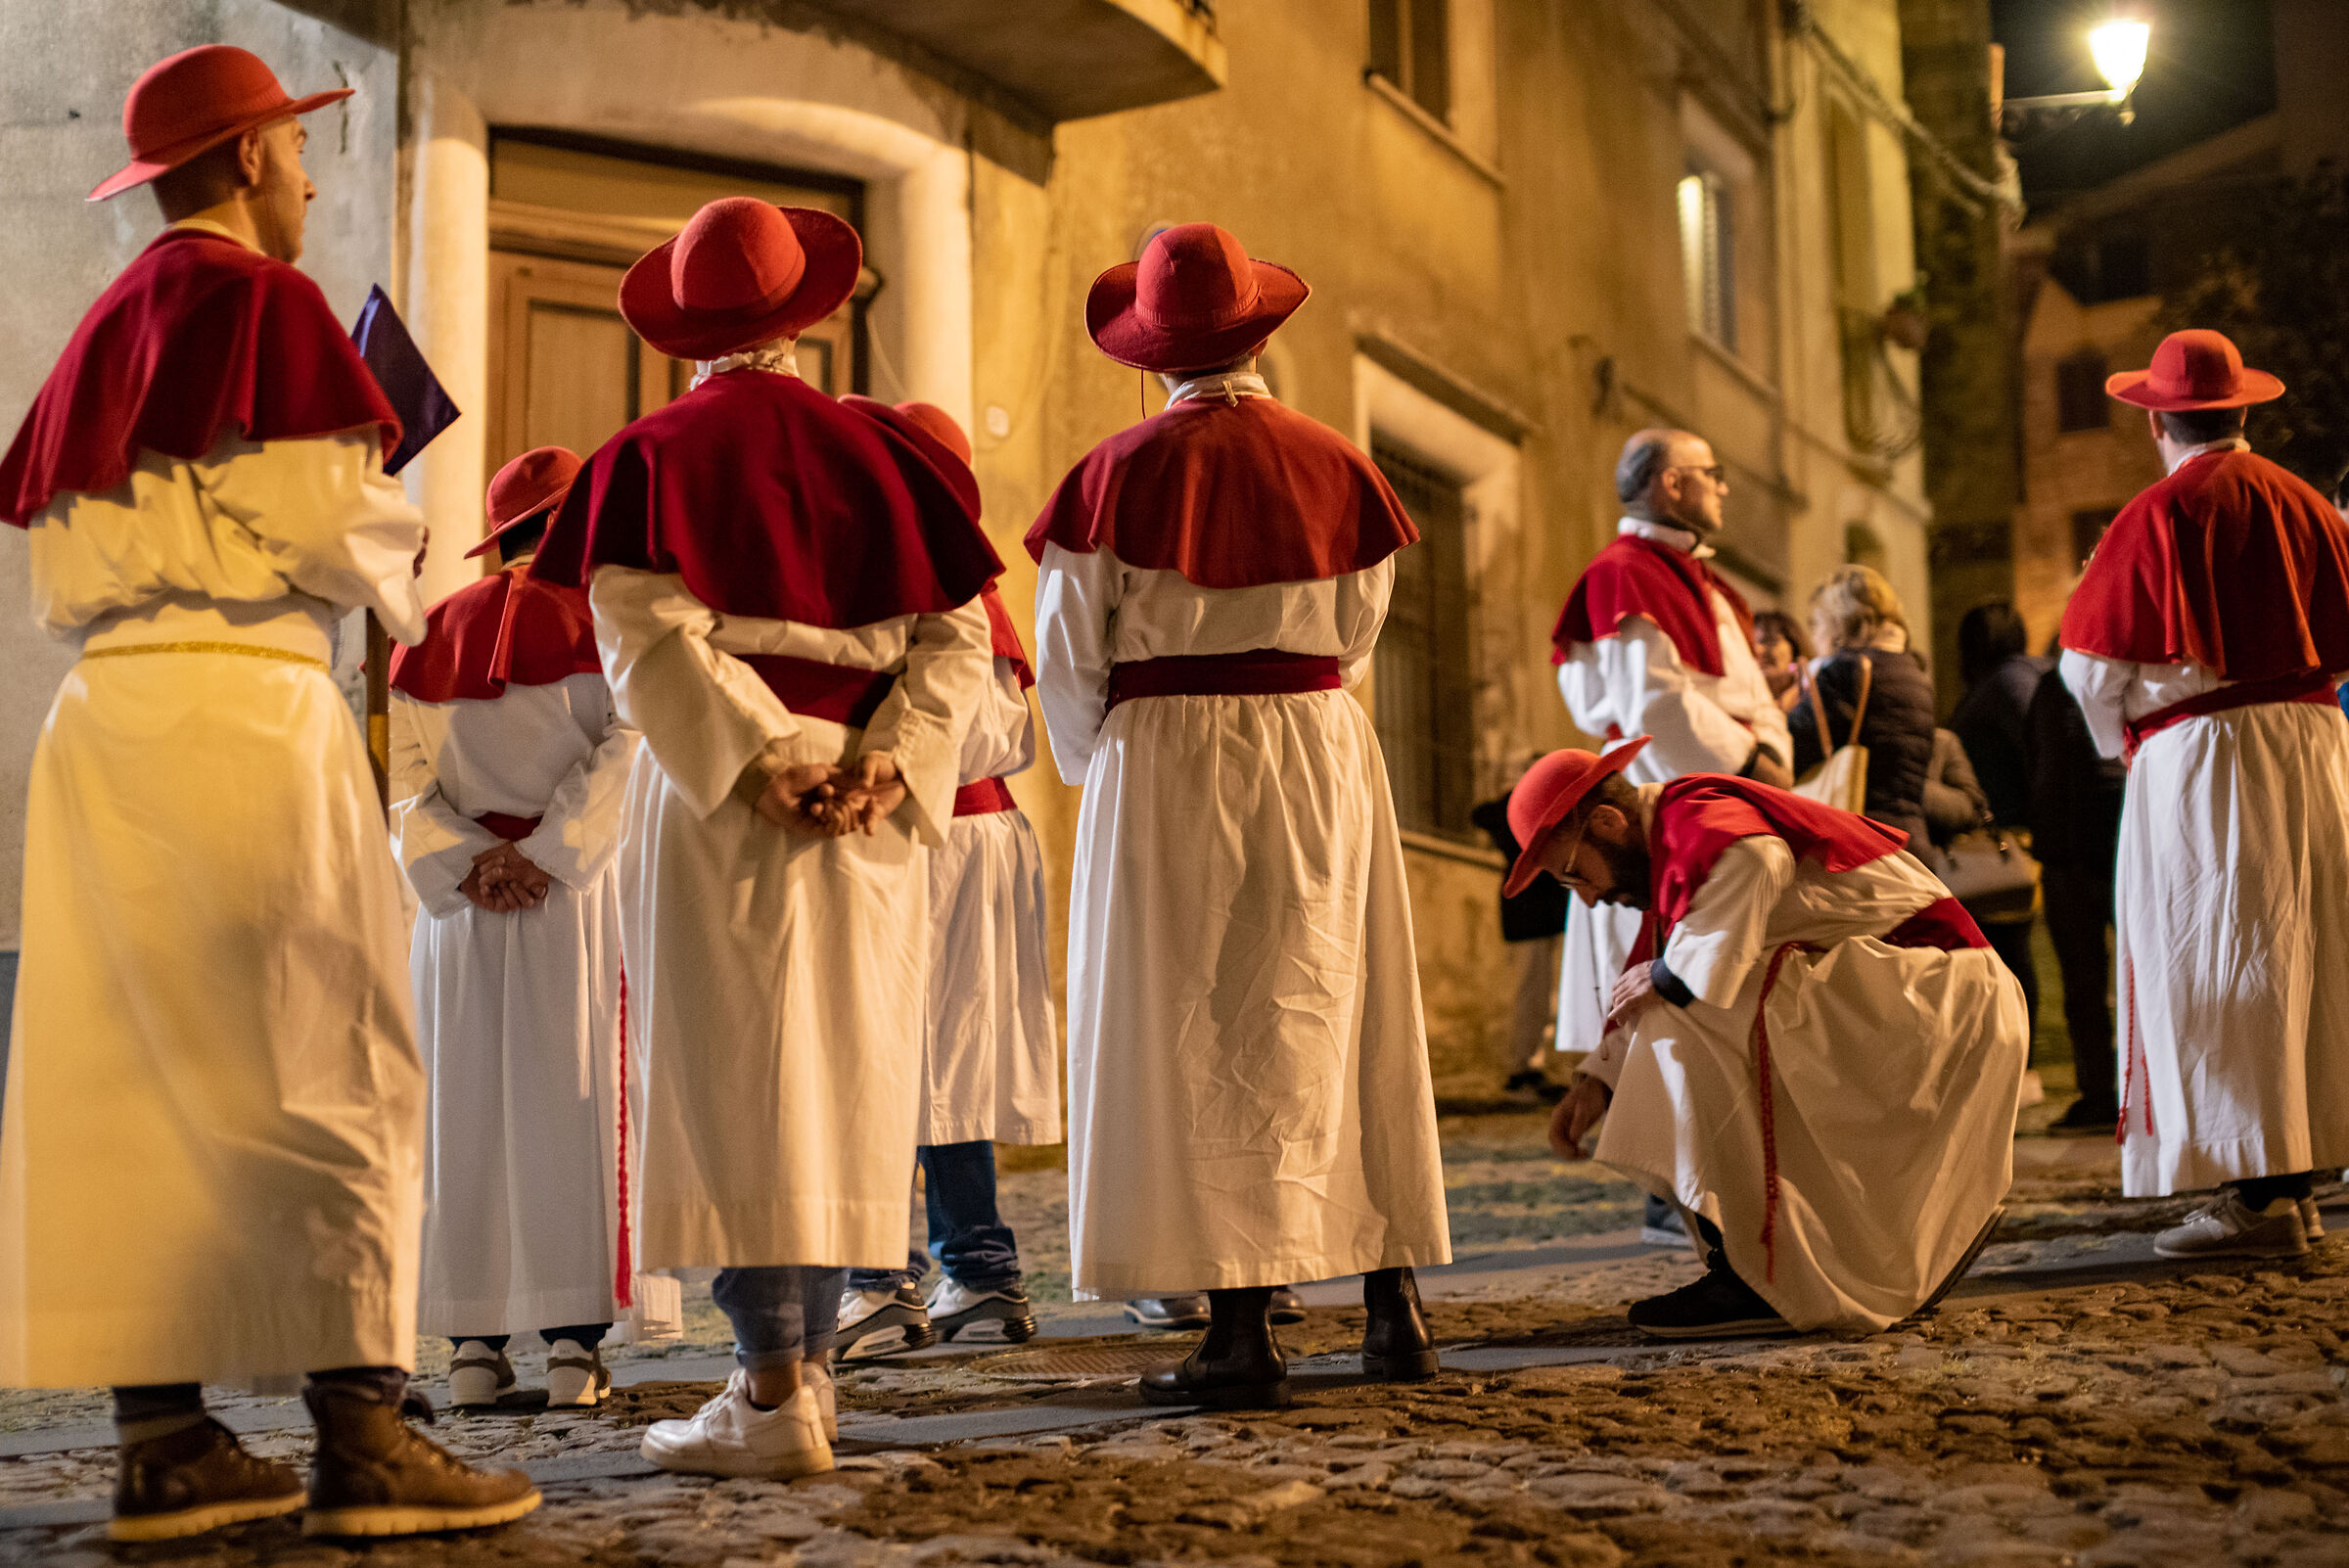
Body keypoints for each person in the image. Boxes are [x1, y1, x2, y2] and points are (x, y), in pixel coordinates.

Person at [0, 45, 538, 1541]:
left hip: (107, 722)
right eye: (295, 152)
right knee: (332, 1052)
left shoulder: (101, 327)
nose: (308, 176)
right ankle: (365, 1437)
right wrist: (409, 540)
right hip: (246, 706)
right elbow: (329, 529)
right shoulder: (263, 304)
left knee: (135, 1085)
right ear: (244, 158)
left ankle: (164, 1443)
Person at [530, 196, 999, 1476]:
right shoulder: (891, 454)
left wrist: (767, 755)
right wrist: (883, 758)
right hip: (869, 814)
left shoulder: (650, 452)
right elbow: (961, 640)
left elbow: (642, 639)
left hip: (724, 805)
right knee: (842, 1074)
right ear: (808, 315)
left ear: (687, 332)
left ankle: (768, 1382)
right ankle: (806, 1376)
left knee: (731, 1081)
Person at [1030, 222, 1451, 1408]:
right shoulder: (1341, 464)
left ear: (1148, 357)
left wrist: (1092, 765)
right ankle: (1393, 1305)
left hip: (1166, 755)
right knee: (1345, 1000)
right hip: (1318, 742)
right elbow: (1362, 632)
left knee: (1195, 1017)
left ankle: (1238, 1326)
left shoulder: (1109, 478)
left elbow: (1069, 660)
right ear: (1262, 331)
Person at [1521, 742, 2027, 1337]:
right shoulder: (1677, 836)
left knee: (1691, 1010)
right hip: (1919, 993)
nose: (1587, 896)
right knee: (1689, 999)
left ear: (1609, 822)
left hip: (1941, 994)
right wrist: (1596, 1078)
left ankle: (1747, 1273)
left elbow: (1756, 861)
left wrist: (1666, 979)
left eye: (1574, 873)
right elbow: (1667, 955)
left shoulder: (1695, 817)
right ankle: (1811, 1258)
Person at [2058, 328, 2349, 1259]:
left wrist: (2126, 737)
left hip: (2210, 761)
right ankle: (2294, 1183)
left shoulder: (2160, 511)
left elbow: (2090, 669)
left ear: (2156, 421)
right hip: (2315, 747)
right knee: (2305, 960)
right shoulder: (2310, 504)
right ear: (2244, 409)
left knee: (2222, 963)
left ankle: (2259, 1198)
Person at [389, 446, 638, 1409]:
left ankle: (471, 1351)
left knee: (464, 1118)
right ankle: (574, 1350)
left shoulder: (427, 631)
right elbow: (630, 751)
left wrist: (465, 862)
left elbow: (405, 778)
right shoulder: (607, 626)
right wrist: (548, 851)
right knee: (573, 1108)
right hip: (568, 904)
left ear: (503, 535)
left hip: (458, 922)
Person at [829, 401, 1057, 1361]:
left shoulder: (895, 569)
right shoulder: (979, 582)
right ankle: (979, 1268)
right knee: (949, 1062)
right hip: (987, 831)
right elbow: (1017, 730)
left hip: (914, 833)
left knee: (883, 1056)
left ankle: (883, 1281)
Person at [1551, 429, 1791, 1247]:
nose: (1724, 487)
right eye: (1712, 475)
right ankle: (1669, 1178)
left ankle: (1703, 1169)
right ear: (1669, 484)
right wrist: (1749, 758)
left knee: (1694, 983)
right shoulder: (1626, 576)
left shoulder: (1702, 579)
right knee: (1663, 986)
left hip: (1718, 795)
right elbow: (1654, 704)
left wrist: (1765, 748)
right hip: (1662, 816)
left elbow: (1732, 688)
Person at [2025, 657, 2124, 1133]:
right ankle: (2131, 1093)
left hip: (2073, 851)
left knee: (2085, 988)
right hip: (2114, 845)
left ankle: (2102, 1095)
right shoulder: (2126, 677)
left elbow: (2036, 762)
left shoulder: (2051, 686)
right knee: (2132, 981)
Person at [1787, 566, 1938, 853]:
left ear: (1838, 623)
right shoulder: (1916, 675)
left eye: (1816, 623)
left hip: (1860, 844)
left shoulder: (1846, 674)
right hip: (1912, 842)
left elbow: (1792, 750)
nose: (1815, 635)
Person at [1471, 762, 1570, 1097]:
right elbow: (1483, 815)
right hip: (1530, 913)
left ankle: (1529, 1065)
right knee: (1531, 993)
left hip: (1536, 913)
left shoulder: (1515, 809)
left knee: (1539, 994)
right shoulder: (1518, 809)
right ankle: (1522, 1069)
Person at [1950, 604, 2045, 831]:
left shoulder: (2007, 684)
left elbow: (2038, 750)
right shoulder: (2023, 676)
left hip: (2010, 830)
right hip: (2018, 827)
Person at [1751, 609, 1808, 712]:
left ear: (1794, 647)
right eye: (1751, 643)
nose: (1759, 650)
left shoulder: (1812, 696)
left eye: (1769, 640)